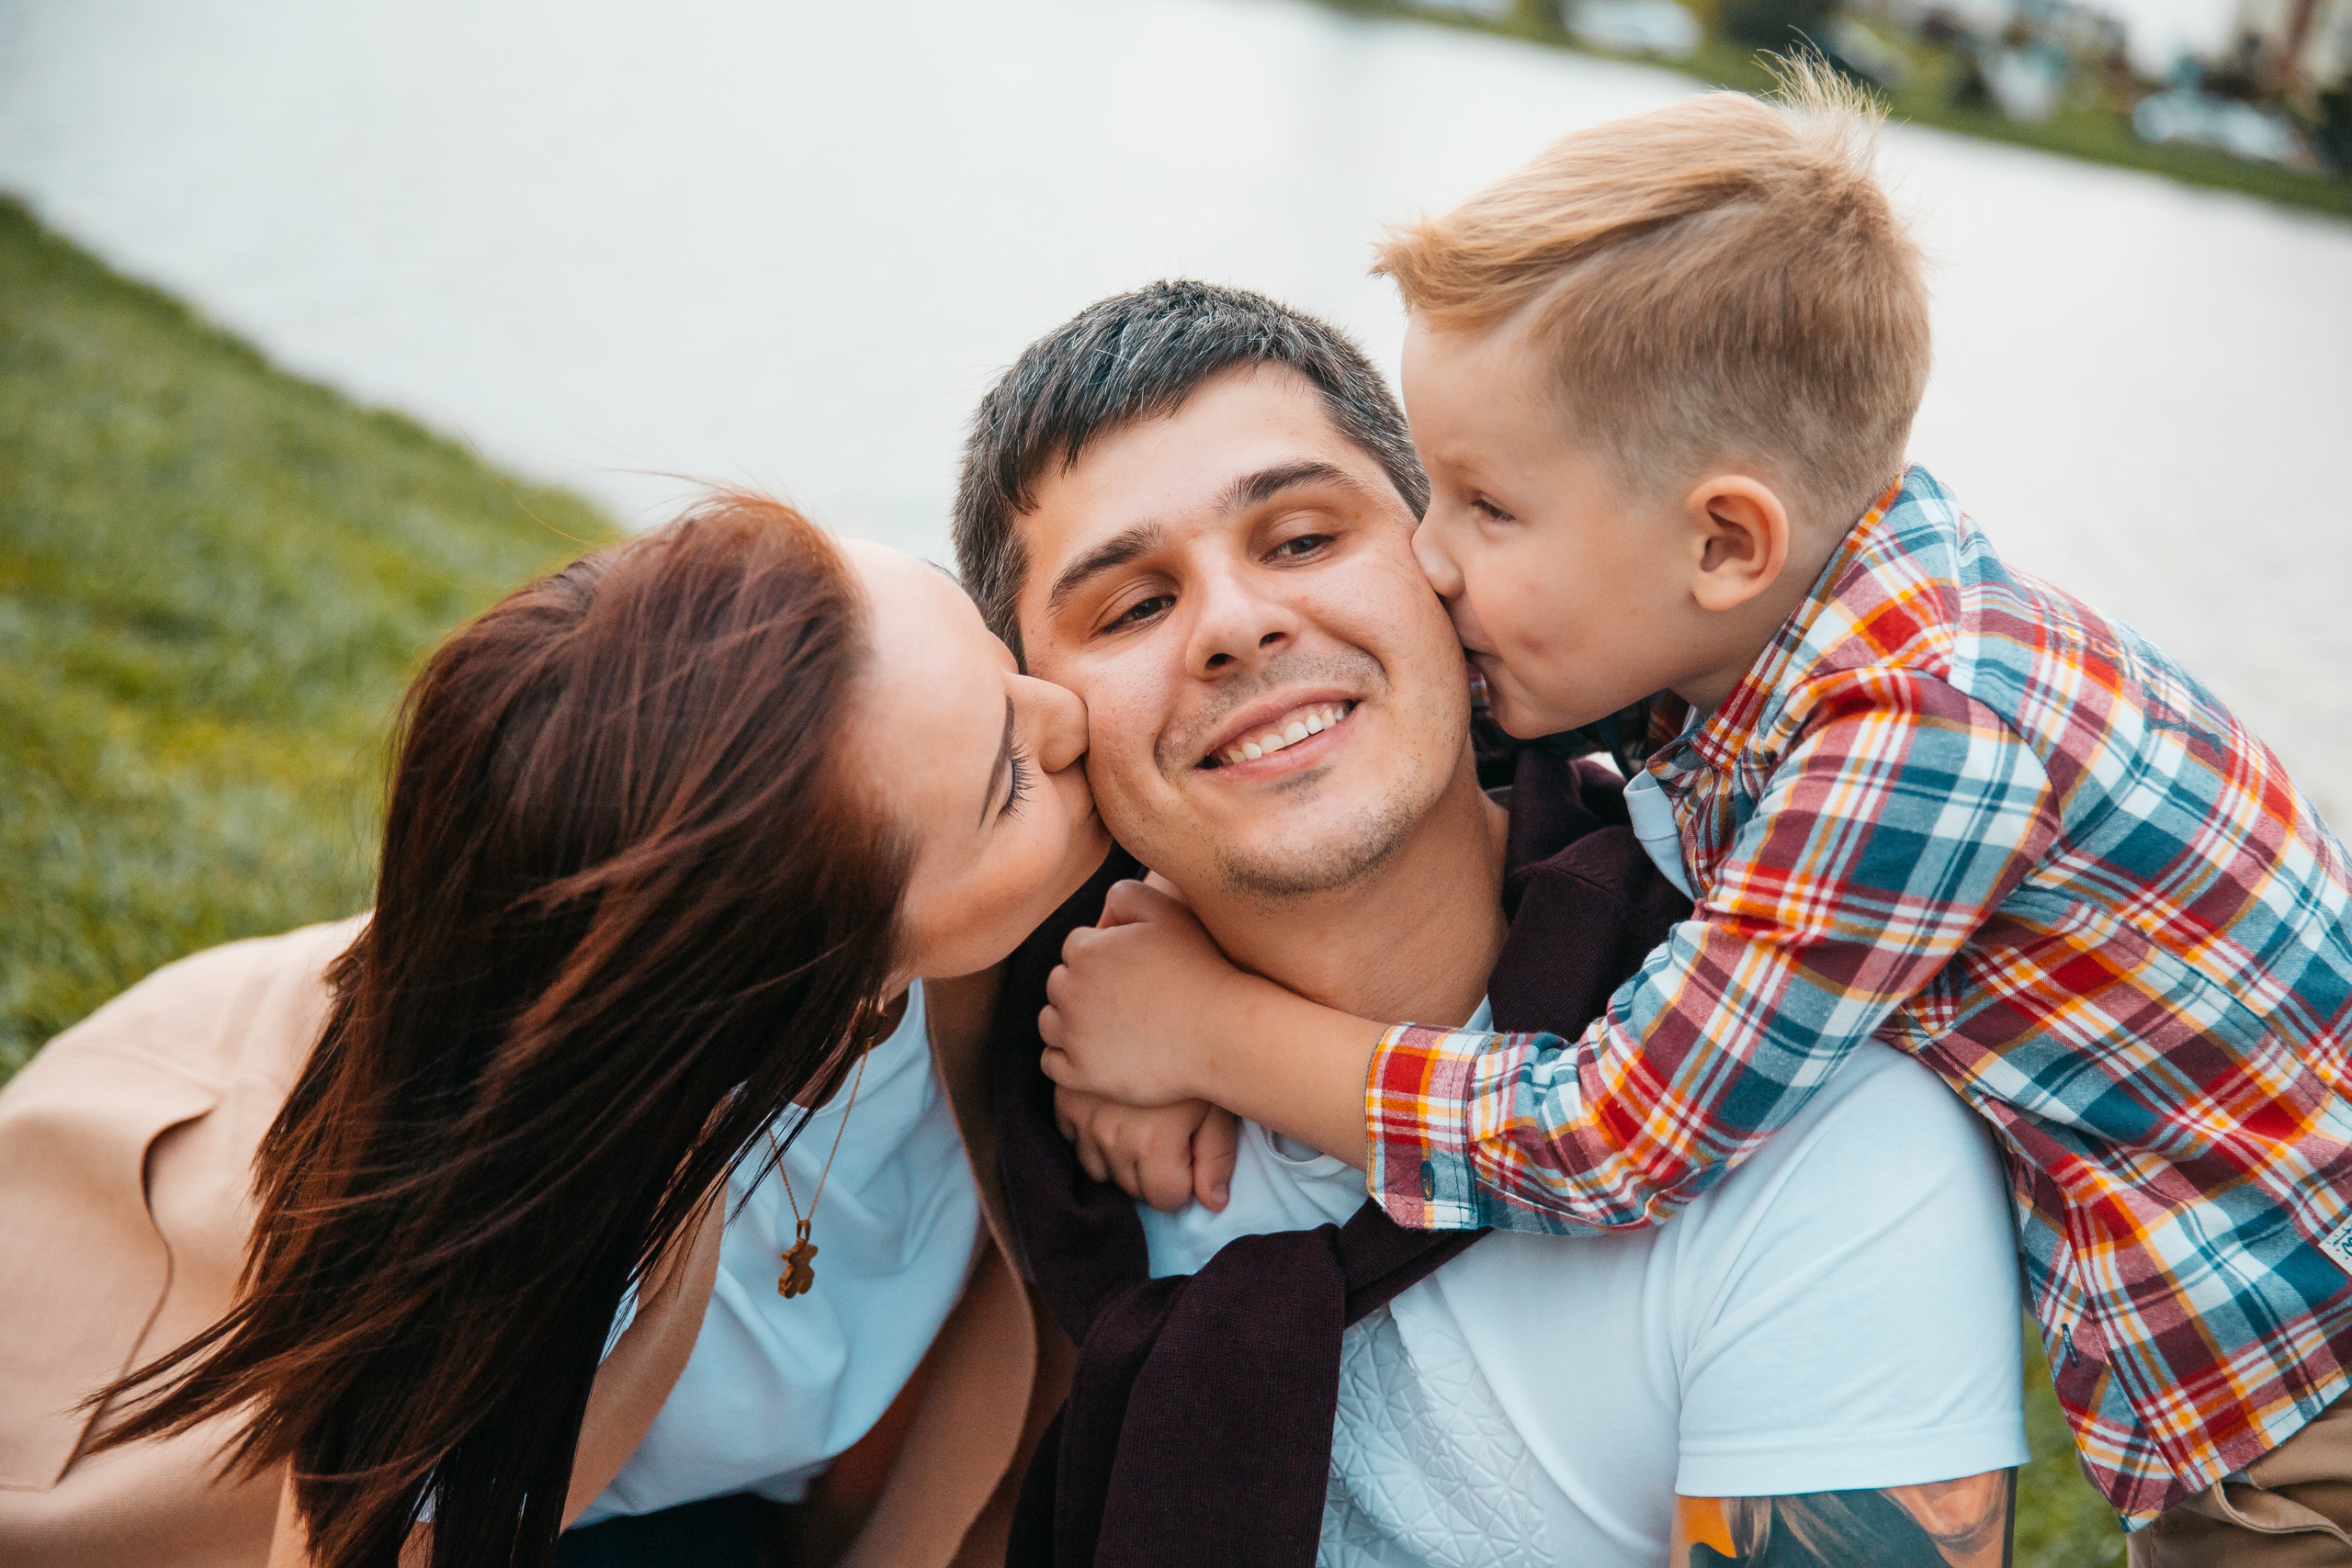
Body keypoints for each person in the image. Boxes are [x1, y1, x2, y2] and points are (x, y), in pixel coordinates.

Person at [1037, 73, 2352, 1563]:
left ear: (1725, 539)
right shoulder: (1781, 626)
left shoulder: (1916, 735)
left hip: (2308, 1424)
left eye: (1484, 506)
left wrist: (1208, 1033)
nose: (1431, 556)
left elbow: (1616, 1135)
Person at [954, 279, 2028, 1567]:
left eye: (1300, 538)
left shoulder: (1818, 1126)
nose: (1237, 626)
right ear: (1044, 719)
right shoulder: (1001, 1040)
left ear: (1452, 580)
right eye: (1131, 606)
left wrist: (1210, 1034)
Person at [0, 491, 1165, 1568]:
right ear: (811, 980)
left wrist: (1203, 1035)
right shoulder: (511, 1234)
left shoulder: (1003, 901)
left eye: (992, 656)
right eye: (1005, 783)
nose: (1068, 712)